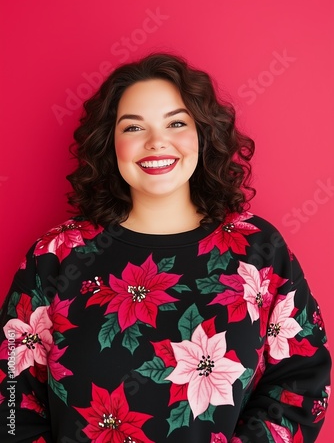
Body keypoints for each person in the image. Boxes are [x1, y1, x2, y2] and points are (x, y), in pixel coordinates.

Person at [0, 53, 331, 443]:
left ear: (202, 134)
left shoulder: (258, 249)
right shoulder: (56, 254)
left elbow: (302, 380)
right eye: (133, 127)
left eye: (176, 123)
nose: (156, 142)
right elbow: (10, 395)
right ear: (110, 143)